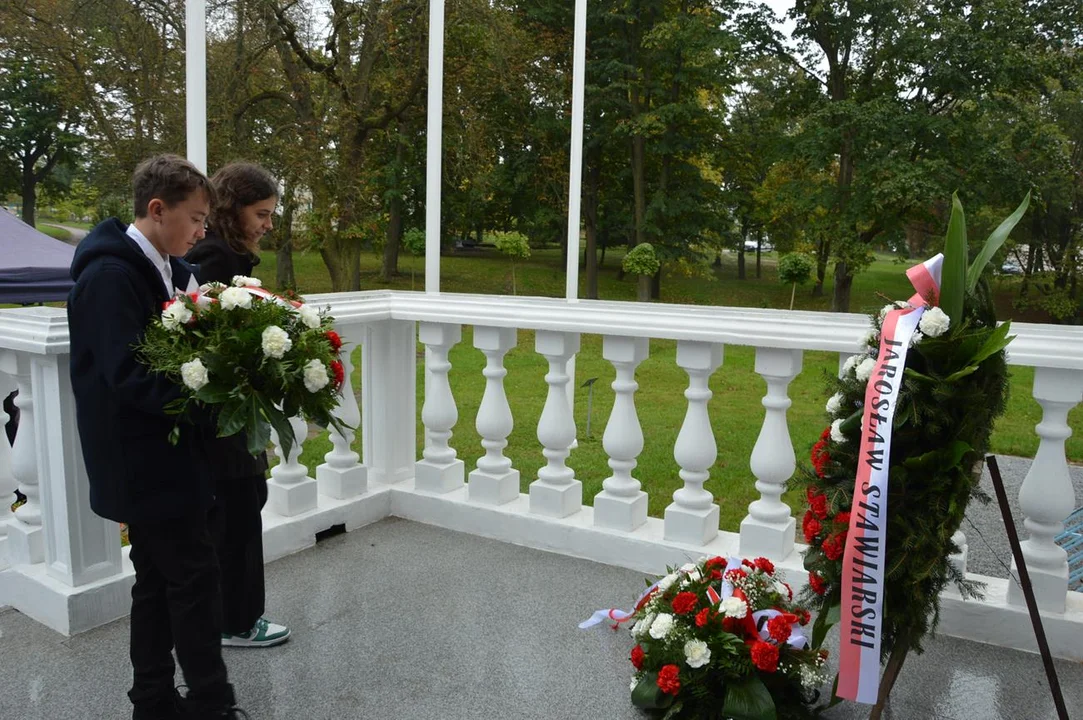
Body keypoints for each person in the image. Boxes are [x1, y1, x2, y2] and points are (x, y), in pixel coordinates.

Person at [67, 155, 246, 720]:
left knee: (157, 583)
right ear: (156, 209)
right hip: (144, 459)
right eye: (195, 218)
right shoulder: (110, 276)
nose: (201, 231)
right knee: (195, 579)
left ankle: (152, 699)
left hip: (165, 451)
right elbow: (128, 375)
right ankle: (211, 704)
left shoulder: (163, 267)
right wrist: (211, 402)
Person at [185, 162, 290, 649]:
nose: (268, 224)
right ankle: (237, 621)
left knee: (246, 505)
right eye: (262, 213)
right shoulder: (213, 260)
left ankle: (231, 616)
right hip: (219, 416)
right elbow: (208, 339)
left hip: (232, 410)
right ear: (234, 209)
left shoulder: (229, 257)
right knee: (236, 516)